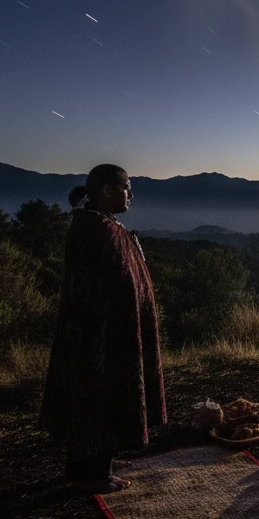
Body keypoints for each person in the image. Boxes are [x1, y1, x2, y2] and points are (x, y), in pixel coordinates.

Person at [41, 164, 166, 491]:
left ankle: (101, 458)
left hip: (104, 331)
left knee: (106, 395)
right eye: (127, 187)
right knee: (98, 396)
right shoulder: (96, 229)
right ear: (108, 190)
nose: (131, 194)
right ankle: (93, 473)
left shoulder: (101, 225)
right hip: (98, 334)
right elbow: (107, 284)